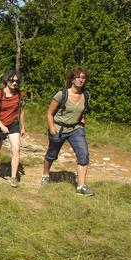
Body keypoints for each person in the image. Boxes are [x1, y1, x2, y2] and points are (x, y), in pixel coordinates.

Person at [42, 67, 94, 196]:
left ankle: (81, 186)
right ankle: (45, 175)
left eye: (83, 77)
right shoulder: (62, 94)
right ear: (72, 79)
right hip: (58, 129)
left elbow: (82, 111)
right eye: (78, 77)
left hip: (76, 129)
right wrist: (52, 130)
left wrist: (81, 122)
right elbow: (49, 113)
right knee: (52, 154)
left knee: (84, 155)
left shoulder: (86, 95)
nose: (81, 80)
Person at [0, 70, 26, 187]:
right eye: (12, 80)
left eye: (17, 81)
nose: (14, 83)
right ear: (7, 80)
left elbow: (21, 112)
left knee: (16, 150)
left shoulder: (19, 95)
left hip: (13, 124)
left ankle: (13, 177)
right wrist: (1, 126)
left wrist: (23, 127)